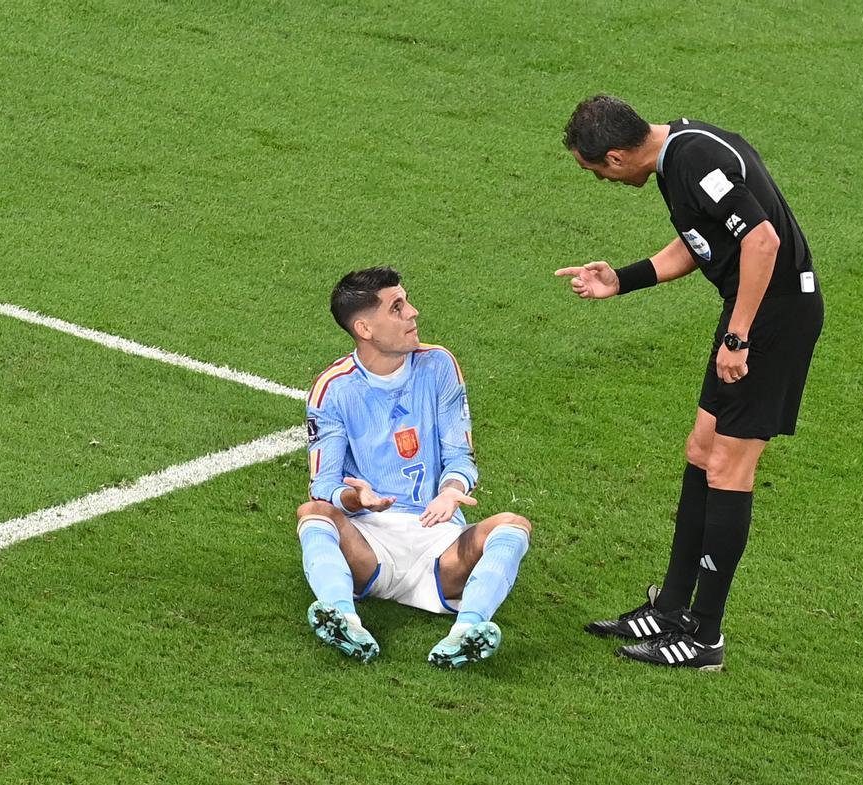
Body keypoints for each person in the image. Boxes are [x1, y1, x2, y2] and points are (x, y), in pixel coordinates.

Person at [556, 95, 824, 670]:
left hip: (772, 320)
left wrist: (739, 335)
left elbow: (761, 241)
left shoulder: (695, 159)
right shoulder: (678, 152)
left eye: (598, 169)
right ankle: (674, 607)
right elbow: (701, 240)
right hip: (753, 315)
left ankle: (705, 637)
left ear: (619, 154)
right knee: (701, 451)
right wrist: (621, 280)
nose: (603, 180)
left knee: (730, 466)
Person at [296, 266, 532, 667]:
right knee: (313, 513)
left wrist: (452, 489)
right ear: (365, 329)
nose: (413, 313)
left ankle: (467, 631)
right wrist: (357, 499)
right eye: (397, 307)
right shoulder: (332, 388)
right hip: (370, 542)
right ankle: (342, 617)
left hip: (438, 541)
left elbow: (460, 456)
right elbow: (324, 486)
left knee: (513, 525)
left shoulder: (439, 365)